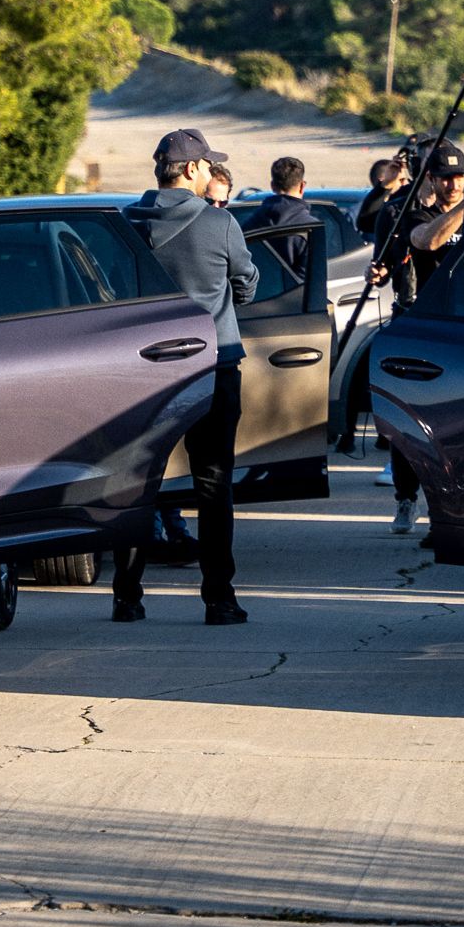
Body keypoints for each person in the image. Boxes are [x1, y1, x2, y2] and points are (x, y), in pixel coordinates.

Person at [114, 129, 257, 626]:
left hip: (141, 371)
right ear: (194, 170)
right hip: (211, 367)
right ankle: (219, 597)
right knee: (214, 486)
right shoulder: (220, 225)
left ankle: (126, 595)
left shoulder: (125, 223)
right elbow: (246, 286)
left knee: (137, 483)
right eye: (207, 166)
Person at [373, 142, 464, 537]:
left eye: (459, 177)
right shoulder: (408, 210)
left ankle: (447, 510)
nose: (453, 183)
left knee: (456, 423)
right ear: (430, 178)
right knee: (408, 420)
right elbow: (428, 240)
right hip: (417, 325)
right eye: (446, 177)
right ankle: (405, 497)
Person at [255, 156, 320, 279]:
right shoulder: (311, 228)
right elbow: (311, 278)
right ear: (302, 186)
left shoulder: (252, 222)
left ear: (272, 185)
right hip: (296, 296)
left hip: (259, 295)